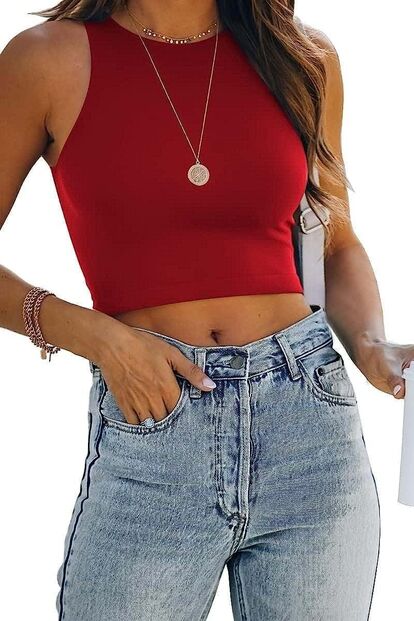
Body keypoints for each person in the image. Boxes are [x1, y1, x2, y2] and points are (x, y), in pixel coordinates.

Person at [1, 1, 412, 619]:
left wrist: (372, 345)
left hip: (309, 424)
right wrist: (100, 340)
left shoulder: (302, 57)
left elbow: (335, 242)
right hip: (155, 417)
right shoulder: (46, 59)